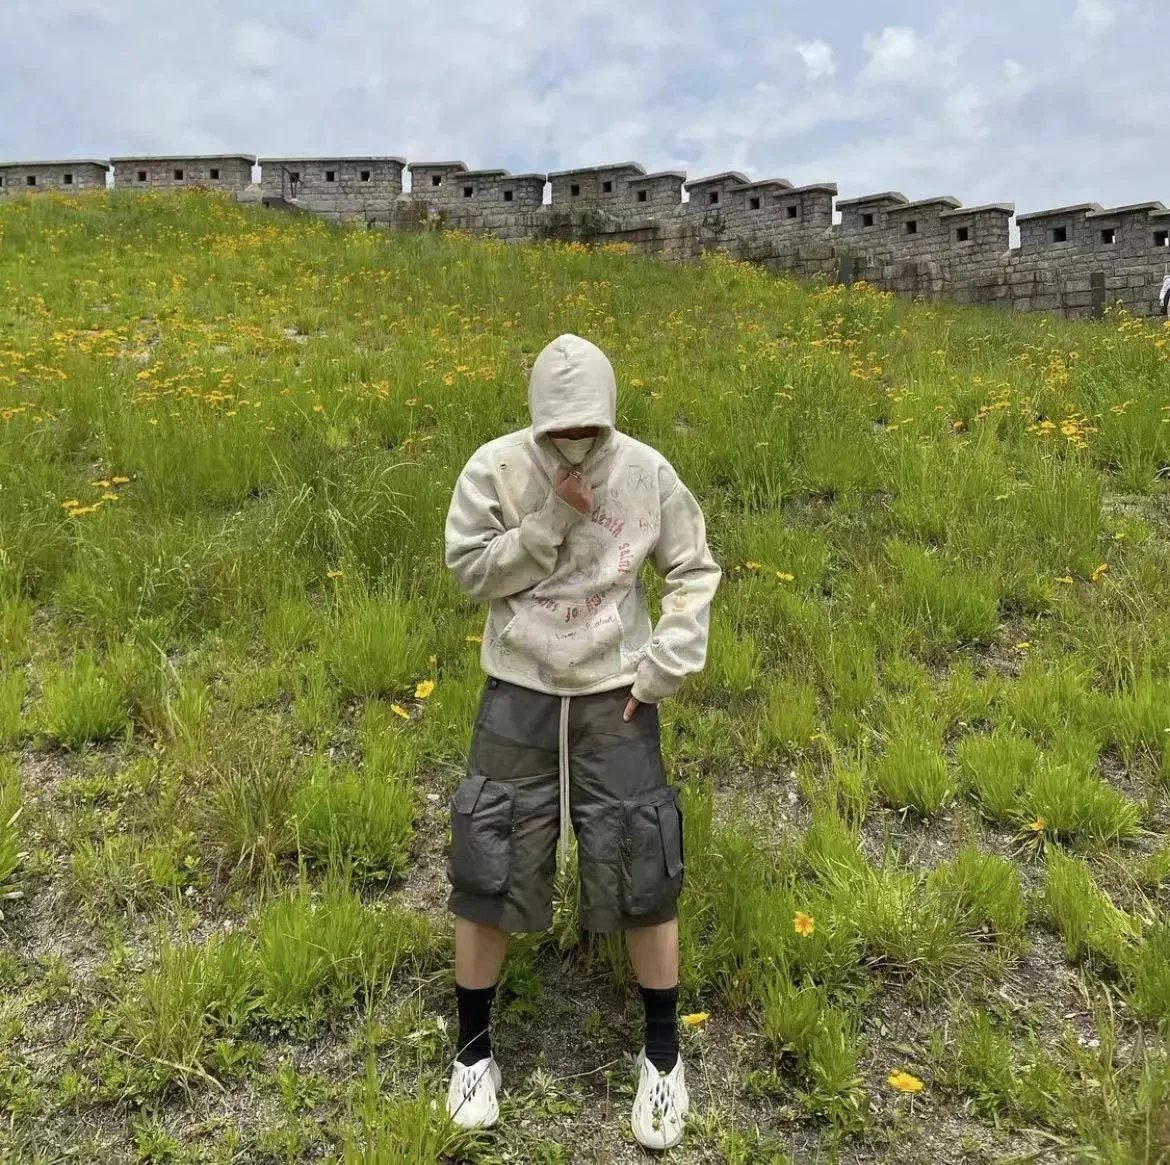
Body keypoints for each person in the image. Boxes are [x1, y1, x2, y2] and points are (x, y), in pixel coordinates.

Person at [442, 333, 721, 1150]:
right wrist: (552, 519)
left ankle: (663, 1055)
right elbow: (470, 571)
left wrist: (663, 665)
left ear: (609, 413)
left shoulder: (646, 470)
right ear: (536, 417)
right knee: (488, 858)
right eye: (559, 427)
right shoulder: (495, 468)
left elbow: (693, 567)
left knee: (644, 860)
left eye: (587, 426)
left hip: (617, 695)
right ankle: (472, 1052)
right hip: (517, 688)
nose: (574, 440)